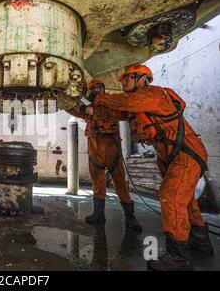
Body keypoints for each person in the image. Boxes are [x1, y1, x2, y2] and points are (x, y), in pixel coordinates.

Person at [87, 64, 213, 271]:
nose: (123, 83)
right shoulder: (136, 105)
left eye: (127, 78)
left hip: (186, 153)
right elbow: (114, 113)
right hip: (170, 155)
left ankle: (178, 259)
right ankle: (200, 242)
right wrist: (91, 109)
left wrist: (98, 97)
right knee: (185, 200)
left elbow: (126, 101)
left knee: (170, 196)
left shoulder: (153, 94)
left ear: (142, 78)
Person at [66, 79, 141, 231]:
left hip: (111, 149)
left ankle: (130, 217)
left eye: (99, 88)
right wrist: (62, 101)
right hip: (94, 150)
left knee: (120, 183)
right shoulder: (87, 109)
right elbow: (73, 110)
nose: (97, 91)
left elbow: (125, 114)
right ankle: (99, 214)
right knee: (97, 183)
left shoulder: (113, 106)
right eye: (94, 89)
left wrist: (98, 111)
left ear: (104, 90)